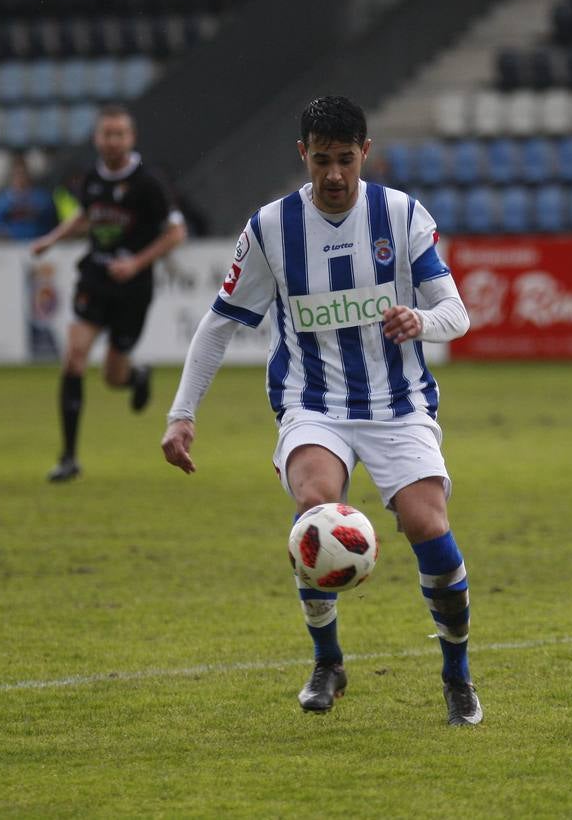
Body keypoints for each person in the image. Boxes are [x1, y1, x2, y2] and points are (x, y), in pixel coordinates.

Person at [159, 95, 481, 726]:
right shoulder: (272, 228)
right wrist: (182, 412)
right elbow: (221, 323)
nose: (334, 175)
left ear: (365, 152)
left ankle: (457, 675)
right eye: (321, 161)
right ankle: (328, 662)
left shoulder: (402, 214)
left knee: (427, 526)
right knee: (314, 504)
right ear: (303, 155)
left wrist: (419, 319)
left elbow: (458, 314)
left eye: (345, 160)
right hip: (313, 403)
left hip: (397, 402)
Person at [30, 105, 186, 482]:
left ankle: (137, 376)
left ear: (130, 138)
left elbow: (175, 233)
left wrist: (136, 263)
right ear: (97, 138)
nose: (113, 140)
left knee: (114, 376)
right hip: (96, 279)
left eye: (120, 134)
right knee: (74, 358)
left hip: (133, 288)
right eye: (106, 134)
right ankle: (69, 457)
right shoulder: (91, 179)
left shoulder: (149, 182)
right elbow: (86, 216)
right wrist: (51, 240)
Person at [0, 154, 58, 240]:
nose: (20, 177)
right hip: (11, 246)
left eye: (23, 173)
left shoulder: (41, 198)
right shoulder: (2, 200)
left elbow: (51, 221)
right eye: (17, 174)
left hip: (36, 242)